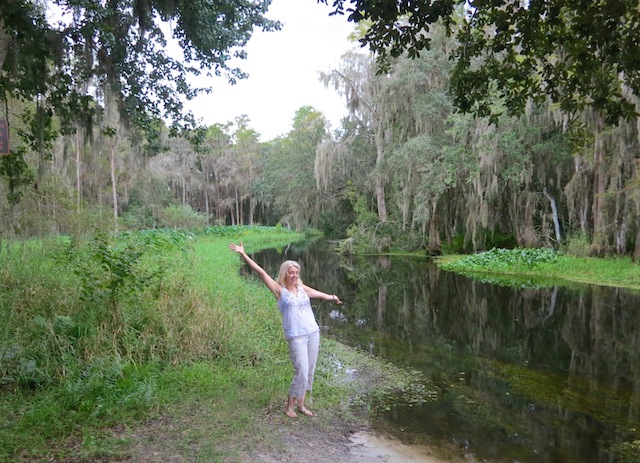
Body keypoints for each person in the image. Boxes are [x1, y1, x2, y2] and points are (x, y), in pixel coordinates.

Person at [229, 241, 342, 418]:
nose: (294, 276)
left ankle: (302, 405)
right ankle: (289, 406)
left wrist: (331, 297)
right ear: (285, 274)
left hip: (312, 332)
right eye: (291, 273)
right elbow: (261, 273)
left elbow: (316, 293)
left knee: (309, 370)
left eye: (296, 273)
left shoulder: (301, 288)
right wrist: (243, 254)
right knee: (301, 371)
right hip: (296, 336)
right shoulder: (279, 290)